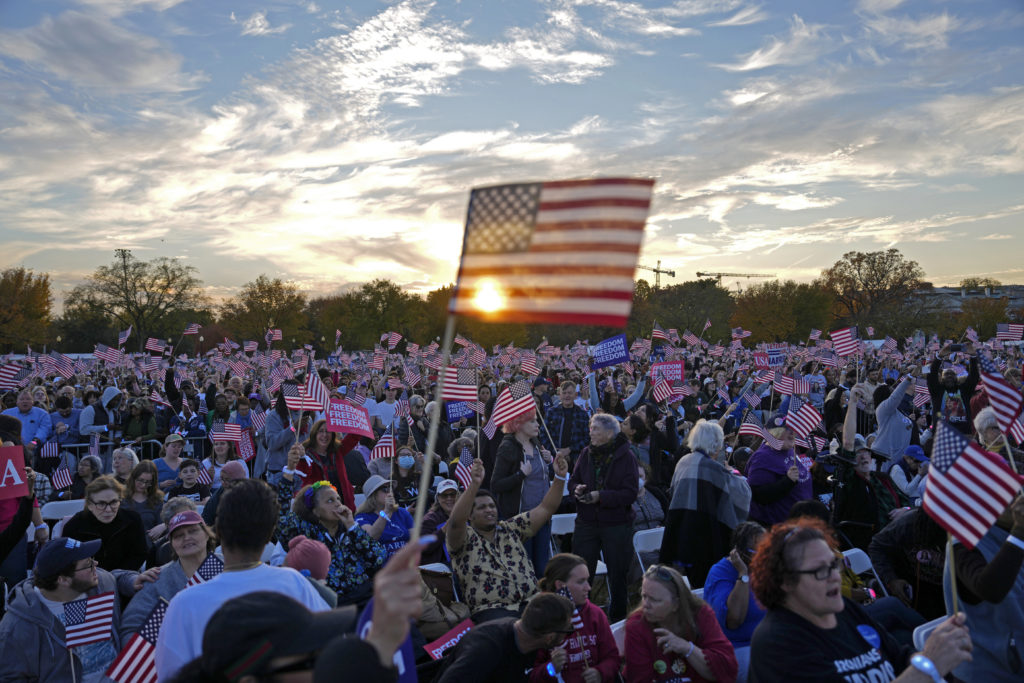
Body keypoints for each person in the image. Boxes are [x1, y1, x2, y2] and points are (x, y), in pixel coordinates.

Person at [747, 517, 973, 682]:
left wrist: (941, 658)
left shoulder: (844, 610)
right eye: (820, 570)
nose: (835, 577)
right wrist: (928, 665)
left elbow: (899, 657)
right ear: (785, 582)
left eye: (833, 565)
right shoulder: (776, 643)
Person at [154, 478, 331, 681]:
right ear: (270, 534)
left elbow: (169, 675)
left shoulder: (184, 604)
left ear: (217, 531)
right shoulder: (295, 582)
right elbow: (329, 653)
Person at [0, 537, 141, 681]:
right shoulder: (17, 626)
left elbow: (115, 577)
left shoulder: (99, 582)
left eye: (92, 559)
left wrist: (132, 581)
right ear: (63, 580)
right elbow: (10, 677)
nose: (96, 564)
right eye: (88, 564)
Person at [448, 455, 568, 622]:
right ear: (469, 515)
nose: (489, 510)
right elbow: (455, 523)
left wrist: (560, 477)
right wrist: (474, 485)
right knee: (517, 628)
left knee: (565, 612)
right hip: (492, 611)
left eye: (492, 506)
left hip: (531, 602)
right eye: (482, 507)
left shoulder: (511, 528)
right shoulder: (463, 540)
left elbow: (546, 508)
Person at [279, 444, 386, 607]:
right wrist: (290, 470)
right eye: (330, 500)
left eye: (338, 499)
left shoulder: (350, 531)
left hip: (366, 599)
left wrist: (352, 526)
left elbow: (378, 558)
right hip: (332, 605)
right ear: (315, 511)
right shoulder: (306, 533)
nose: (337, 504)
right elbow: (282, 517)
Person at [660, 420, 752, 589]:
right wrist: (733, 472)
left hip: (681, 531)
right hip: (705, 536)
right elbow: (743, 493)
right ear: (715, 444)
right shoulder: (711, 468)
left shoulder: (683, 461)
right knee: (706, 584)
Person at [944, 493, 1024, 681]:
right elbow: (990, 589)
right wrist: (1019, 532)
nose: (1017, 500)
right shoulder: (963, 543)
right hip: (989, 670)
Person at [569, 412, 639, 620]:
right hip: (587, 522)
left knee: (618, 576)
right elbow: (573, 480)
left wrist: (602, 496)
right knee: (581, 572)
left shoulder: (627, 457)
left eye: (595, 429)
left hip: (616, 525)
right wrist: (576, 489)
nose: (591, 433)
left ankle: (617, 621)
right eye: (591, 428)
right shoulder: (586, 453)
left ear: (609, 433)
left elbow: (630, 493)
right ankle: (582, 619)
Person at [624, 563, 738, 683]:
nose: (645, 605)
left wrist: (687, 648)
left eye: (654, 600)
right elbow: (640, 678)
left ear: (676, 604)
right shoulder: (637, 625)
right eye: (644, 596)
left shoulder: (700, 615)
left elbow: (727, 670)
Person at [120, 509, 219, 640]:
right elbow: (131, 628)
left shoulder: (231, 567)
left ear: (206, 534)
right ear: (171, 544)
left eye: (193, 531)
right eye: (178, 536)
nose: (186, 538)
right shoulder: (157, 579)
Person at [437, 592, 575, 683]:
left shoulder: (527, 642)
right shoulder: (485, 649)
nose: (569, 633)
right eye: (568, 630)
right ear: (550, 637)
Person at [530, 553, 621, 683]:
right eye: (580, 581)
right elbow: (530, 675)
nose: (588, 587)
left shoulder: (595, 614)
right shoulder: (540, 619)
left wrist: (600, 673)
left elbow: (612, 658)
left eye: (587, 580)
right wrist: (551, 668)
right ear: (560, 585)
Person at [492, 410, 555, 577]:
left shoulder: (536, 443)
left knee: (542, 569)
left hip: (543, 517)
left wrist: (550, 461)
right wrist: (520, 475)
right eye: (532, 421)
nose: (538, 424)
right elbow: (496, 484)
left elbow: (543, 477)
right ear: (518, 424)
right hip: (520, 520)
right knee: (525, 571)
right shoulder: (507, 447)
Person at [703, 522, 766, 683]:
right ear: (739, 553)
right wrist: (743, 574)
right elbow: (733, 621)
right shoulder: (720, 572)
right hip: (737, 647)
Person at [62, 476, 148, 571]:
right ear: (89, 505)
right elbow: (68, 559)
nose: (108, 510)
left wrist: (118, 574)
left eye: (114, 502)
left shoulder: (133, 520)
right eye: (101, 504)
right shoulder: (75, 525)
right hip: (89, 575)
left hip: (124, 574)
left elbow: (140, 554)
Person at [745, 426, 812, 527]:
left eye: (793, 429)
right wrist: (787, 481)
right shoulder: (762, 456)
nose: (793, 433)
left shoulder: (788, 450)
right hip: (779, 527)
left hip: (801, 523)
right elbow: (757, 495)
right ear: (775, 433)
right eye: (787, 430)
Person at [296, 418, 359, 509]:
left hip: (344, 504)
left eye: (328, 431)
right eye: (321, 431)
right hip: (320, 507)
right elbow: (304, 475)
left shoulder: (338, 450)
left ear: (333, 435)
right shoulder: (306, 454)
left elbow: (354, 436)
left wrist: (357, 416)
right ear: (314, 434)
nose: (324, 435)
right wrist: (302, 457)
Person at [355, 474, 414, 559]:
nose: (390, 492)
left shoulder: (402, 512)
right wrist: (386, 512)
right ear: (373, 495)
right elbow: (371, 538)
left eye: (390, 488)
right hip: (381, 564)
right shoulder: (362, 518)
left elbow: (415, 539)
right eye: (385, 489)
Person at [926, 343, 979, 435]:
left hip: (963, 434)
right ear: (941, 378)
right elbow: (931, 375)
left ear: (956, 377)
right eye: (946, 374)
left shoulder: (964, 390)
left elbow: (974, 376)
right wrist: (939, 357)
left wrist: (973, 356)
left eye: (952, 374)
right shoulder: (937, 391)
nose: (950, 376)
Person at [542, 381, 591, 470]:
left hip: (576, 461)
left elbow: (587, 438)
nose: (567, 396)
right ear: (560, 395)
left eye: (570, 393)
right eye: (564, 393)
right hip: (554, 460)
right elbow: (543, 434)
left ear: (575, 395)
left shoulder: (582, 414)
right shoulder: (551, 412)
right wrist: (556, 451)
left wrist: (570, 450)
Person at [122, 460, 165, 541]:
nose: (143, 485)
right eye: (140, 480)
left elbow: (163, 521)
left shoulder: (157, 499)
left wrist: (163, 526)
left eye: (148, 482)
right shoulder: (121, 497)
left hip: (149, 544)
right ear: (133, 477)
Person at [2, 389, 52, 458]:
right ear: (17, 402)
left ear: (33, 401)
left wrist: (34, 442)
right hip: (11, 451)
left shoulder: (42, 414)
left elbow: (44, 430)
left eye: (28, 399)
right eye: (21, 399)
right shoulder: (6, 414)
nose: (25, 401)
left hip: (35, 451)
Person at [419, 477, 458, 565]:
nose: (449, 498)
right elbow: (424, 547)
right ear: (438, 498)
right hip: (440, 567)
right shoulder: (429, 519)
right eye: (444, 495)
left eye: (453, 494)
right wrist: (445, 528)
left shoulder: (466, 515)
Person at [200, 459, 248, 527]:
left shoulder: (251, 493)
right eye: (222, 479)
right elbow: (206, 518)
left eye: (228, 479)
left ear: (239, 479)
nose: (223, 483)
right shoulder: (220, 493)